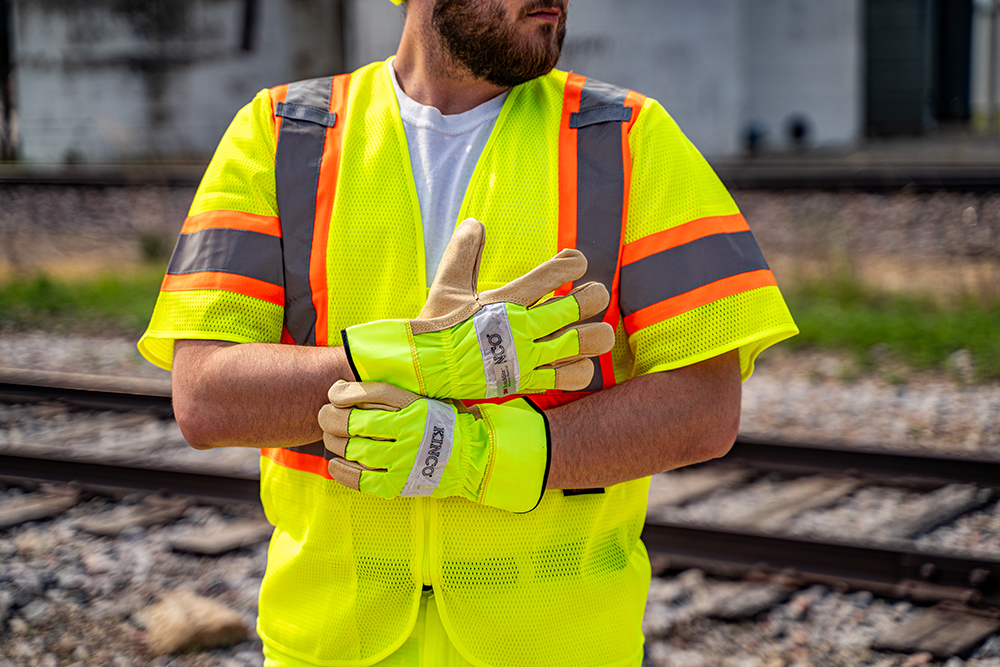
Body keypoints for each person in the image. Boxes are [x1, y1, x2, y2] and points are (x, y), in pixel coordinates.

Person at [137, 0, 798, 665]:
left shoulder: (624, 138)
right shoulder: (283, 134)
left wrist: (477, 454)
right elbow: (206, 396)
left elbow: (706, 407)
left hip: (558, 646)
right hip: (331, 642)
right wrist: (423, 361)